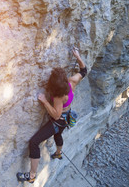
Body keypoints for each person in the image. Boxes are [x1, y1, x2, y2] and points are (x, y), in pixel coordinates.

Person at [16, 48, 87, 183]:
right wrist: (77, 56)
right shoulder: (71, 81)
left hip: (58, 121)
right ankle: (58, 153)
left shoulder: (59, 97)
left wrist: (44, 101)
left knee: (34, 142)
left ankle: (31, 176)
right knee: (58, 134)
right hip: (67, 118)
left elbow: (55, 115)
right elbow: (84, 71)